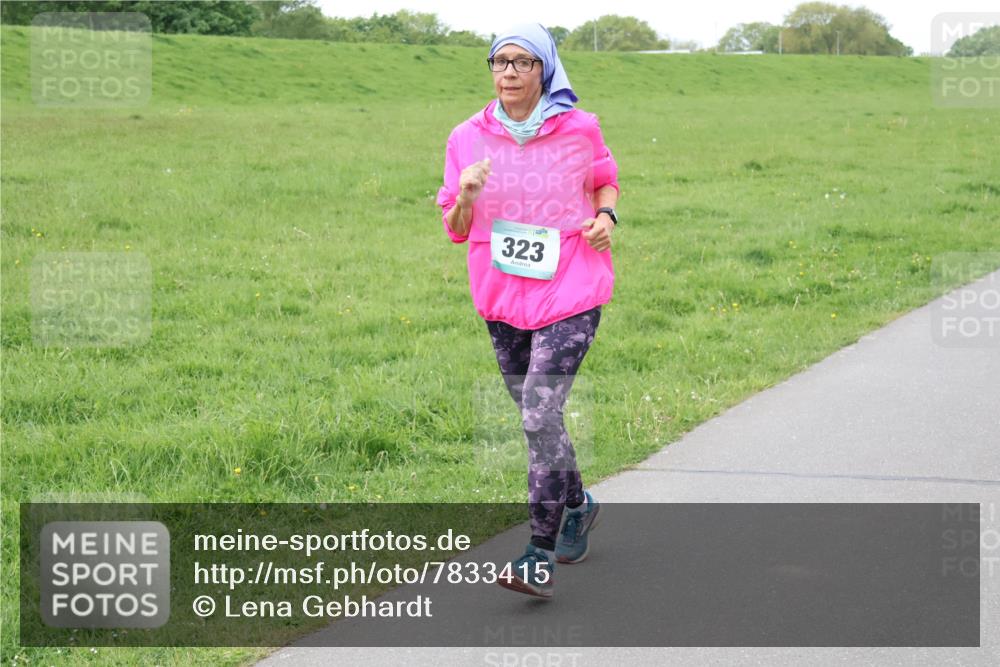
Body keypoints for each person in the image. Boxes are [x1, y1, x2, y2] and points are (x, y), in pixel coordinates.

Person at [436, 23, 620, 599]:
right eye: (500, 62)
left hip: (570, 285)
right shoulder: (466, 137)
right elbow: (456, 229)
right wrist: (465, 195)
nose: (509, 72)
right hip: (502, 295)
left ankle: (536, 553)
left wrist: (606, 218)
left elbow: (606, 182)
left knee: (539, 417)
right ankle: (577, 504)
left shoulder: (579, 128)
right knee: (538, 416)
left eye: (522, 62)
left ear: (545, 70)